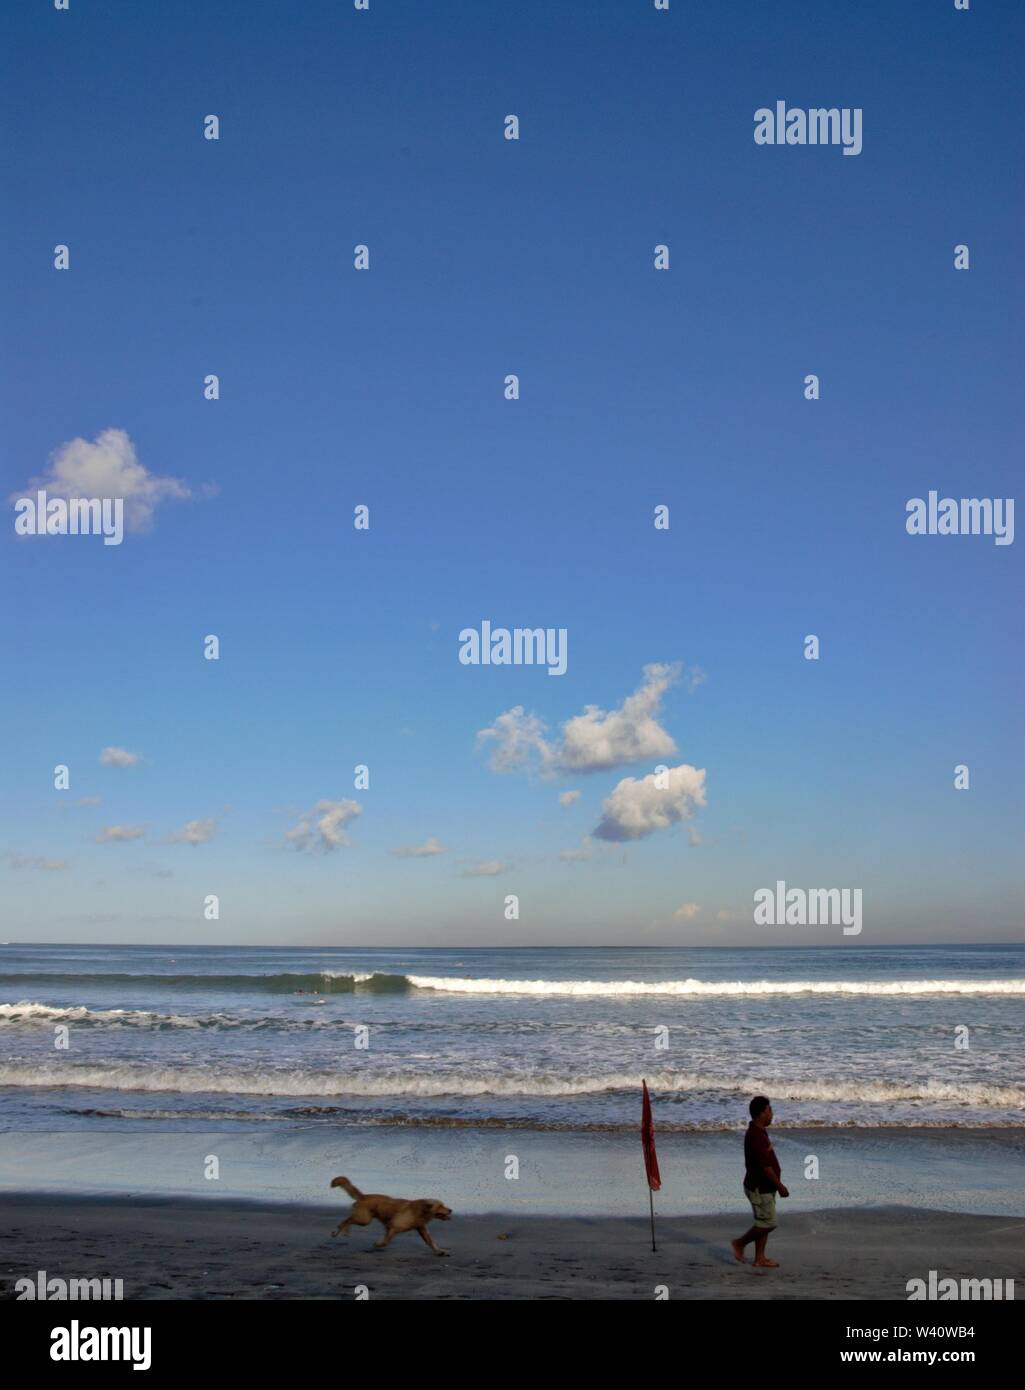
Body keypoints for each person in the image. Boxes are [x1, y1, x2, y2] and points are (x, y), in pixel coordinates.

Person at [731, 1095, 788, 1268]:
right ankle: (739, 1243)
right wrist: (780, 1186)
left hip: (764, 1186)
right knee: (769, 1223)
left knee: (762, 1221)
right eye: (769, 1110)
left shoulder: (759, 1130)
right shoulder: (756, 1135)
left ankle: (760, 1258)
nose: (772, 1114)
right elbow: (765, 1167)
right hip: (759, 1187)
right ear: (760, 1114)